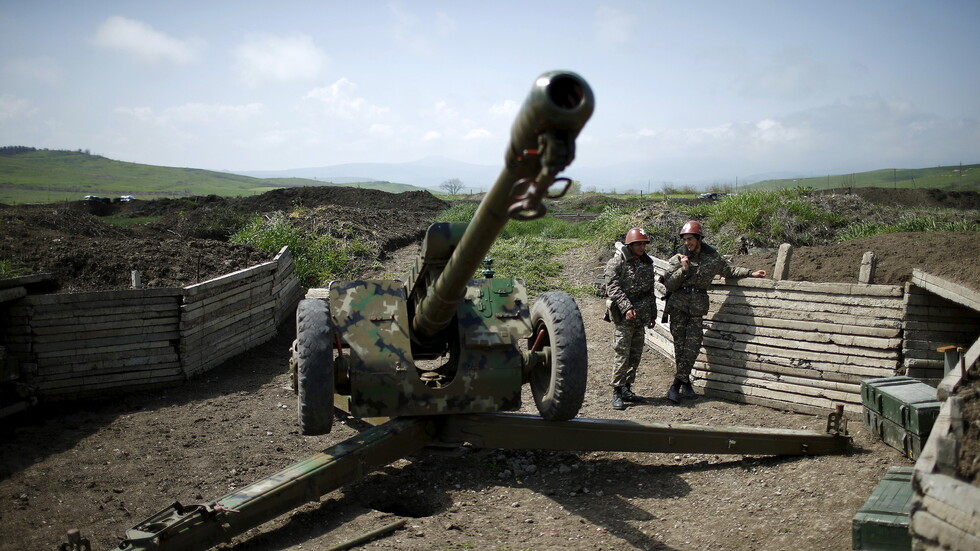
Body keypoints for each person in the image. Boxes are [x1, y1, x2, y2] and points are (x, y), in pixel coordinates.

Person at [662, 221, 767, 403]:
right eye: (685, 239)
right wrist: (684, 270)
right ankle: (685, 384)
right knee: (680, 348)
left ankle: (675, 385)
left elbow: (729, 271)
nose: (688, 243)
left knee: (692, 348)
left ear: (699, 238)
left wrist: (751, 273)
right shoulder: (677, 259)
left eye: (691, 239)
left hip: (697, 309)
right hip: (678, 308)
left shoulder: (712, 257)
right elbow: (669, 284)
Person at [604, 227, 658, 410]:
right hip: (624, 317)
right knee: (622, 354)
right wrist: (626, 307)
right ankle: (617, 391)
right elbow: (612, 287)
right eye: (638, 244)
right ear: (630, 244)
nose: (642, 247)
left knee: (635, 355)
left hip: (641, 316)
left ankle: (627, 388)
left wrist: (653, 314)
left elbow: (650, 291)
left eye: (644, 244)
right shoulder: (617, 262)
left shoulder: (647, 263)